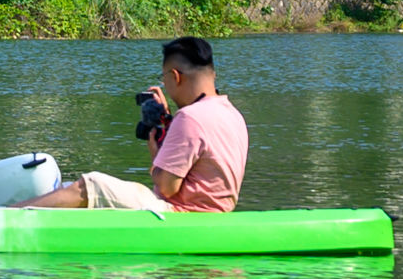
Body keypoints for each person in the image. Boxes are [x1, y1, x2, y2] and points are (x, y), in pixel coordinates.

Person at [24, 35, 248, 212]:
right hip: (216, 212)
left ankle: (5, 216)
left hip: (181, 213)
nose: (166, 86)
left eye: (164, 79)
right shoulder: (232, 114)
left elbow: (168, 188)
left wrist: (155, 152)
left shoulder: (190, 118)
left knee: (92, 184)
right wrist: (169, 126)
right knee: (67, 189)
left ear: (175, 76)